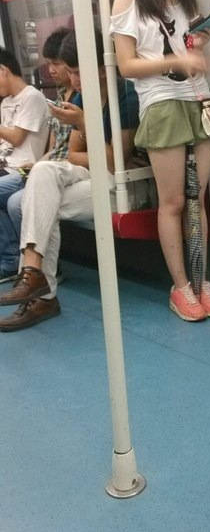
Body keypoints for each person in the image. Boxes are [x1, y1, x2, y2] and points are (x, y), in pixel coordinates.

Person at [110, 0, 210, 322]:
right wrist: (176, 60)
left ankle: (202, 281)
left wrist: (198, 43)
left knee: (198, 199)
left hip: (199, 100)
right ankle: (181, 287)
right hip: (161, 103)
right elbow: (127, 65)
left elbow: (185, 48)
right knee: (174, 201)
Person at [0, 28, 139, 332]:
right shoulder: (81, 96)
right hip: (91, 174)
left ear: (101, 68)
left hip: (123, 183)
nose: (74, 80)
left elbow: (115, 162)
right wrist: (89, 139)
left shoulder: (126, 95)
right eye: (71, 72)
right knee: (43, 173)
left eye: (78, 72)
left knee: (39, 201)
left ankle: (43, 297)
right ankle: (33, 272)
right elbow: (74, 154)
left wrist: (84, 123)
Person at [0, 27, 81, 276]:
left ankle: (28, 265)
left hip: (66, 167)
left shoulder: (72, 99)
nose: (51, 70)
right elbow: (55, 147)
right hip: (47, 165)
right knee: (15, 200)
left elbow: (70, 151)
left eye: (57, 64)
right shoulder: (58, 97)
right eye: (49, 64)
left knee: (16, 202)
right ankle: (27, 266)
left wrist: (39, 164)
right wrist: (38, 165)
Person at [0, 47, 49, 278]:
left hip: (24, 170)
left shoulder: (32, 97)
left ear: (3, 70)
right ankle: (10, 256)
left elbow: (17, 137)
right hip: (5, 166)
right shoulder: (5, 103)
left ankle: (11, 259)